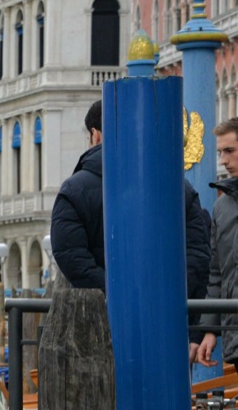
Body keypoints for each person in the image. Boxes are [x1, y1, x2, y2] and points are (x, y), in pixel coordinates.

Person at [50, 100, 211, 359]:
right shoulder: (180, 187)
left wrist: (115, 292)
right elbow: (198, 256)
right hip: (165, 321)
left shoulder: (73, 190)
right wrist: (164, 295)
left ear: (95, 134)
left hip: (100, 324)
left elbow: (70, 257)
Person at [195, 119, 238, 368]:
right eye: (220, 152)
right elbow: (217, 274)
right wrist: (210, 330)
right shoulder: (221, 206)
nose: (223, 160)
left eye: (230, 151)